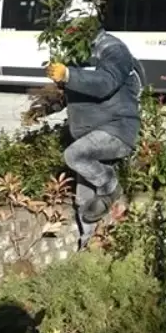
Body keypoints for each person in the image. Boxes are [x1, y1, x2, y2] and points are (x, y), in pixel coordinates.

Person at [47, 22, 141, 245]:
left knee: (74, 155)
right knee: (84, 202)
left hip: (116, 129)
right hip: (90, 134)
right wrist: (49, 104)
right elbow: (80, 88)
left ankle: (110, 185)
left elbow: (105, 83)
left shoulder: (112, 49)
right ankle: (87, 244)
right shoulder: (79, 50)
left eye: (71, 27)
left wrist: (68, 75)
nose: (67, 31)